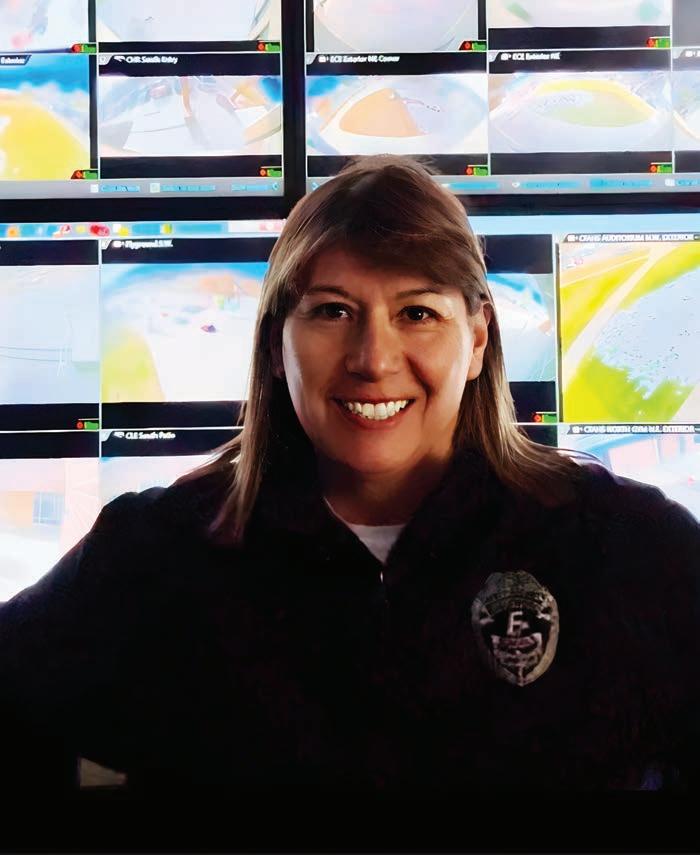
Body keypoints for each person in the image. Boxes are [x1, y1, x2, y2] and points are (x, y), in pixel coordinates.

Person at [0, 156, 699, 826]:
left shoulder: (619, 544)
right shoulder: (157, 552)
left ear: (479, 337)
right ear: (276, 345)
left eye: (417, 313)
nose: (373, 359)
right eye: (333, 311)